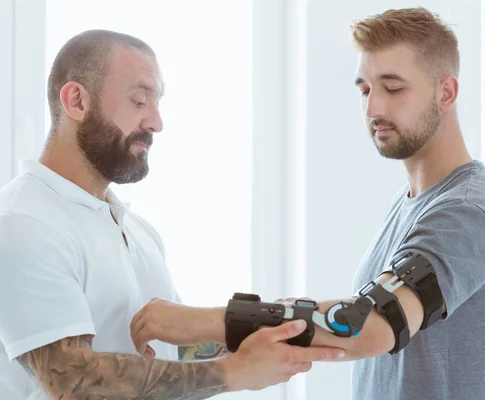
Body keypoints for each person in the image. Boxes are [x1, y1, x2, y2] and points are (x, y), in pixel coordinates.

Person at [129, 7, 485, 400]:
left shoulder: (470, 213)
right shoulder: (413, 204)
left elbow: (371, 322)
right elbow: (344, 321)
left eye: (393, 88)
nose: (374, 107)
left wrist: (199, 321)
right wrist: (198, 346)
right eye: (365, 89)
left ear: (446, 92)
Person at [0, 30, 344, 400]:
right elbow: (72, 381)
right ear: (77, 101)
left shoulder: (135, 230)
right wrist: (233, 372)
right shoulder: (24, 222)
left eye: (157, 102)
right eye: (139, 101)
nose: (156, 122)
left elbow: (170, 352)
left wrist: (255, 333)